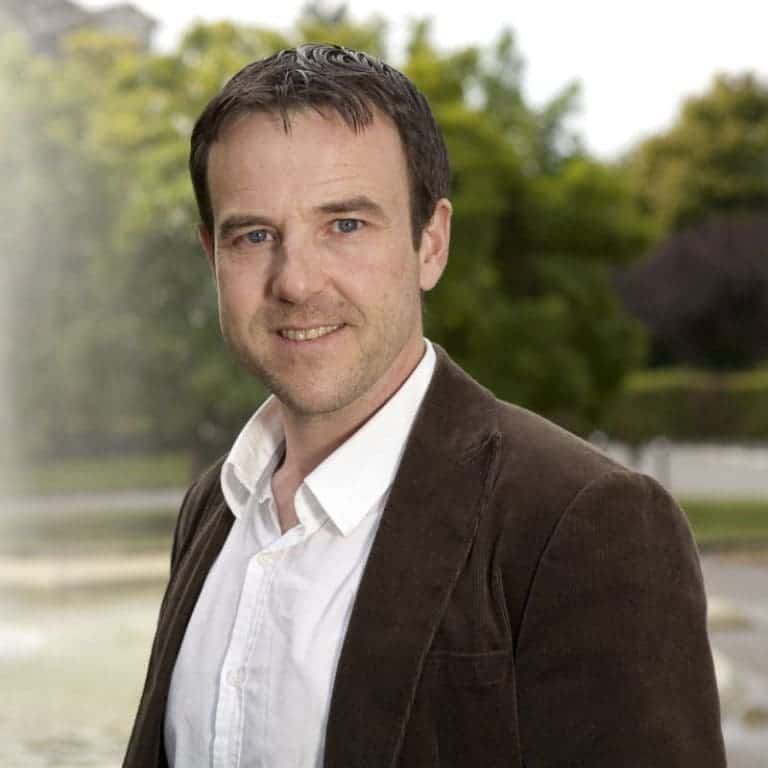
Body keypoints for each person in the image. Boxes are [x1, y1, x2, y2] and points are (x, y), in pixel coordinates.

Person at [124, 44, 726, 768]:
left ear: (431, 242)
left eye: (345, 225)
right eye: (255, 235)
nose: (296, 282)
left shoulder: (584, 520)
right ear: (212, 258)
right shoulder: (215, 506)